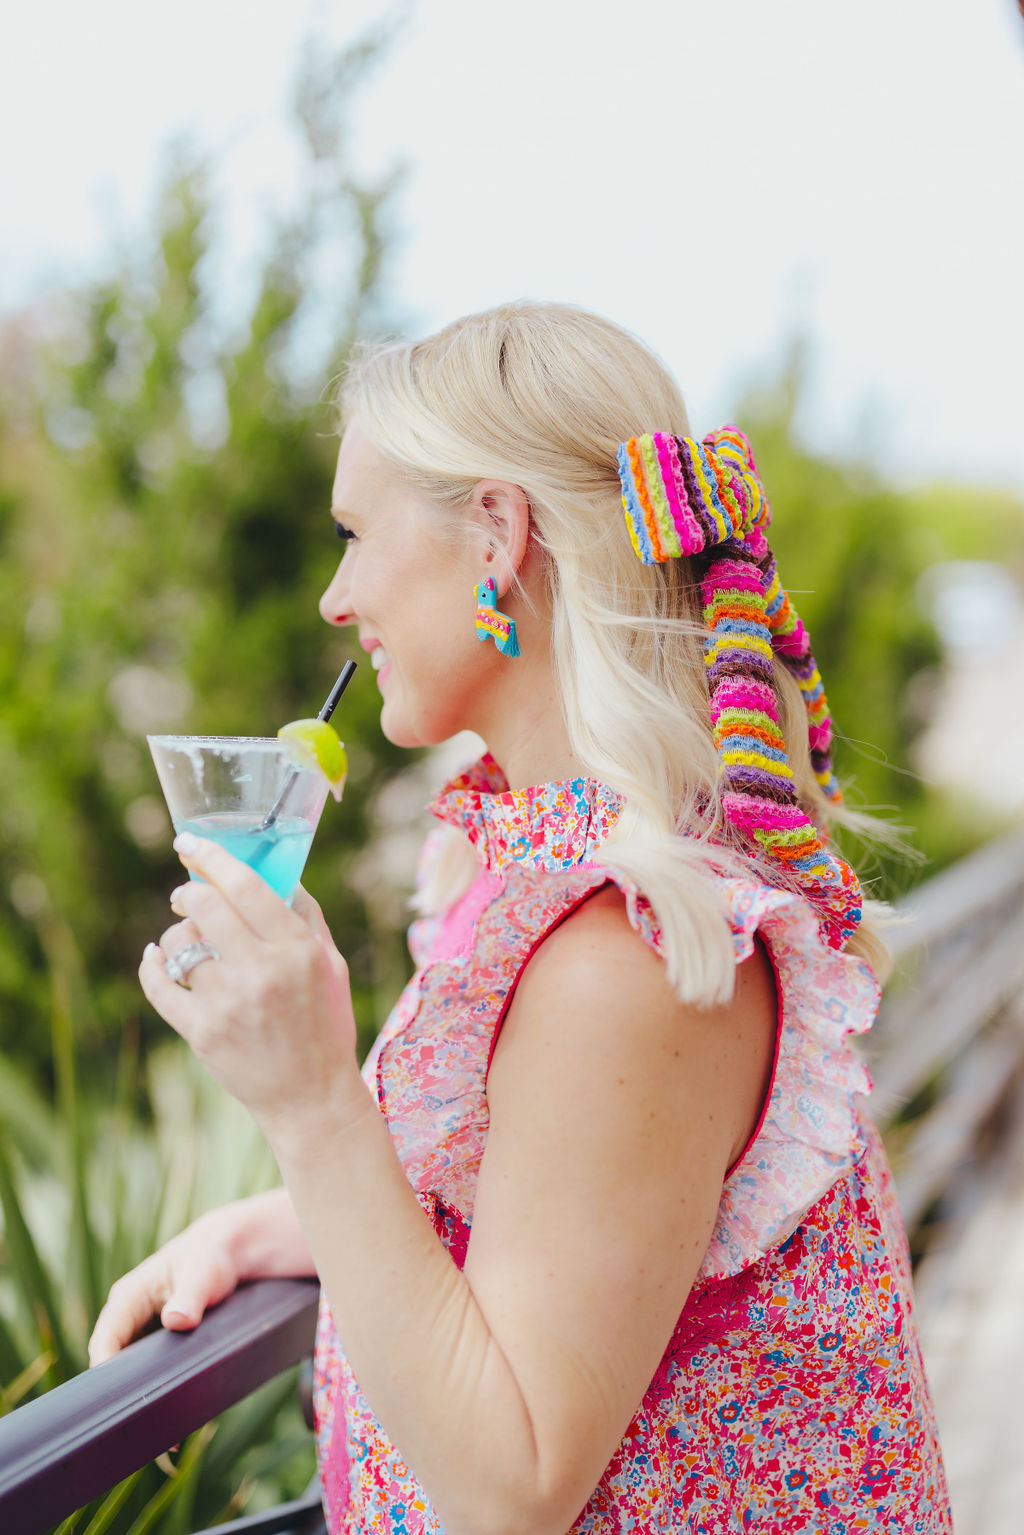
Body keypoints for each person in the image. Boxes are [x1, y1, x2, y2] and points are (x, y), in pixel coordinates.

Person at [89, 301, 951, 1533]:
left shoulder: (629, 954)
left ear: (496, 530)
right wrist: (279, 1224)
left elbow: (512, 1487)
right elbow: (551, 1210)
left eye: (353, 533)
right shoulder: (537, 865)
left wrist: (312, 1104)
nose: (335, 598)